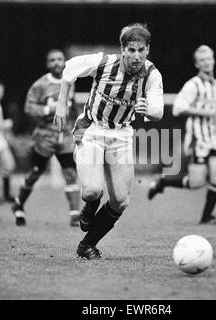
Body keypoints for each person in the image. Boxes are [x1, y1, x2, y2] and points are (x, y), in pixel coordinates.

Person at [54, 23, 164, 259]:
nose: (136, 56)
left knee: (120, 201)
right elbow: (69, 69)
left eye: (141, 50)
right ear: (123, 49)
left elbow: (158, 110)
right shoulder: (103, 63)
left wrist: (149, 110)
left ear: (147, 50)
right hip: (92, 129)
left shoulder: (152, 74)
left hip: (122, 134)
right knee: (93, 190)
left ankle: (86, 245)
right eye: (131, 50)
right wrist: (61, 103)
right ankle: (90, 206)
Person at [148, 45, 216, 224]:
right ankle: (163, 182)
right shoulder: (192, 85)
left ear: (213, 60)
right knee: (196, 182)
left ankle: (206, 217)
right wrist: (203, 112)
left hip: (214, 139)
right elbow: (178, 108)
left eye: (209, 58)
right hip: (197, 139)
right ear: (197, 64)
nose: (207, 62)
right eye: (202, 60)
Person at [11, 49, 81, 227]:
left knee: (71, 174)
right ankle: (19, 204)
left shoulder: (70, 82)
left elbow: (71, 108)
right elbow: (28, 108)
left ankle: (74, 215)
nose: (57, 62)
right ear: (47, 64)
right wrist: (48, 110)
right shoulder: (40, 85)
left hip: (64, 136)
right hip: (45, 137)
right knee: (35, 173)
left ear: (64, 61)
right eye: (52, 60)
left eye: (59, 59)